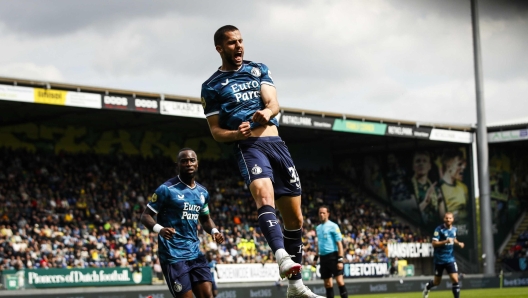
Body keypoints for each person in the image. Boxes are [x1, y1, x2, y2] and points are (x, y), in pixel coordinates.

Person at [201, 25, 323, 298]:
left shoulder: (258, 69)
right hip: (248, 146)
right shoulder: (211, 86)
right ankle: (281, 257)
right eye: (232, 43)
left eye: (241, 41)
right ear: (220, 48)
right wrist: (235, 133)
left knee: (295, 219)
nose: (239, 46)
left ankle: (296, 287)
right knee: (263, 196)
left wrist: (267, 111)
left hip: (277, 144)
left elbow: (274, 102)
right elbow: (216, 131)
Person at [140, 148, 225, 298]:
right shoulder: (166, 189)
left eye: (192, 160)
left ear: (197, 164)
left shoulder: (202, 193)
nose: (188, 164)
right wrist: (160, 229)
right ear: (177, 165)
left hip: (195, 253)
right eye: (184, 161)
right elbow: (145, 216)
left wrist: (214, 231)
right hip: (173, 255)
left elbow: (205, 219)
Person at [422, 212, 464, 298]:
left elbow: (454, 239)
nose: (448, 220)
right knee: (437, 282)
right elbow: (434, 243)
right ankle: (428, 286)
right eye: (446, 218)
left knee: (455, 280)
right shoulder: (439, 229)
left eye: (450, 218)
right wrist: (445, 241)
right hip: (439, 260)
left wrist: (459, 243)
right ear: (444, 219)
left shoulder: (454, 229)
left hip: (450, 259)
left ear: (453, 219)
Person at [313, 206, 347, 298]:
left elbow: (339, 244)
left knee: (339, 281)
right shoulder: (318, 228)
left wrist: (340, 260)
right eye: (320, 213)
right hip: (323, 258)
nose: (321, 214)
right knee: (327, 284)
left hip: (333, 257)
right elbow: (318, 244)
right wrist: (315, 258)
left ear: (328, 214)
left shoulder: (333, 226)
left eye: (323, 213)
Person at [437, 150, 468, 221]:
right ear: (448, 166)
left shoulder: (463, 187)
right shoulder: (439, 188)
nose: (463, 167)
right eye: (459, 164)